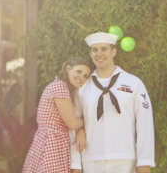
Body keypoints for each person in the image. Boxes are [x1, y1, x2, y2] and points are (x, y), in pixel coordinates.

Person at [71, 32, 155, 173]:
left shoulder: (133, 83)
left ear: (114, 51)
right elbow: (73, 125)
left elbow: (145, 125)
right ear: (90, 54)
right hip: (91, 161)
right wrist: (76, 166)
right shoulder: (82, 87)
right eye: (94, 50)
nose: (99, 54)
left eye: (104, 49)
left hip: (126, 160)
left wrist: (144, 163)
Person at [22, 56, 92, 173]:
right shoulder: (60, 87)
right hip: (52, 142)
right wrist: (87, 120)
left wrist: (80, 129)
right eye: (79, 71)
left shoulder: (66, 88)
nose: (81, 77)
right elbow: (73, 124)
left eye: (85, 75)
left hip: (51, 140)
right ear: (68, 68)